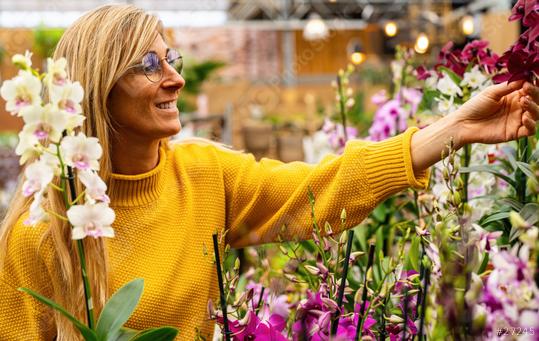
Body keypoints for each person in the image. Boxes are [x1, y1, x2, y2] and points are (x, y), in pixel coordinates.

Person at [0, 4, 538, 340]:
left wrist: (454, 130)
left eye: (173, 61)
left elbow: (315, 190)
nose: (175, 80)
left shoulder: (205, 175)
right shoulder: (39, 226)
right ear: (98, 85)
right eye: (149, 65)